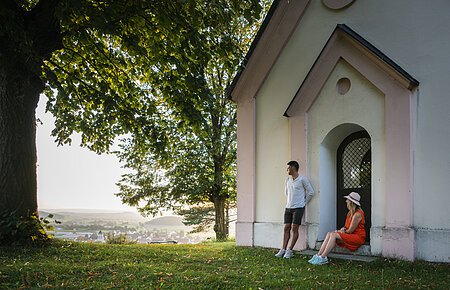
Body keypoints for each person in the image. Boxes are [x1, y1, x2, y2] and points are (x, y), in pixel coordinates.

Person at [308, 191, 366, 265]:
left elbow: (350, 231)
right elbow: (346, 227)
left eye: (347, 200)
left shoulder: (357, 214)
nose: (346, 201)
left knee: (334, 235)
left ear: (351, 202)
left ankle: (323, 257)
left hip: (358, 237)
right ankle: (318, 255)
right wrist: (342, 229)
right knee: (330, 233)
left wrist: (341, 231)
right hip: (350, 234)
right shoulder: (350, 212)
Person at [275, 161, 315, 259]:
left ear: (293, 168)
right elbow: (286, 193)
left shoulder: (302, 179)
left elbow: (311, 192)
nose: (287, 170)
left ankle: (289, 250)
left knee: (294, 228)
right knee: (286, 228)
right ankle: (283, 249)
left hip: (298, 208)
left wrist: (303, 203)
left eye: (288, 168)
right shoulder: (287, 179)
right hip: (288, 207)